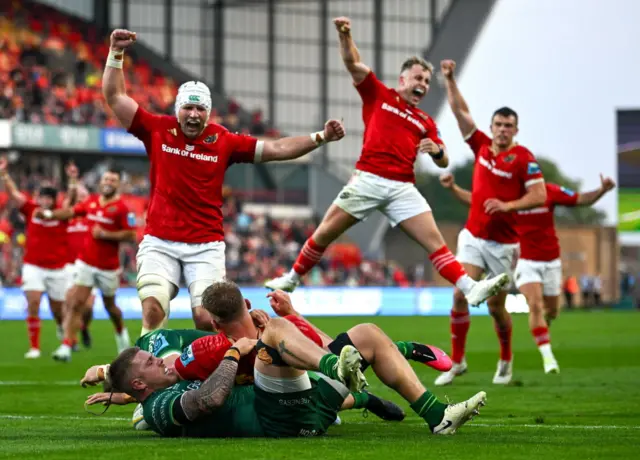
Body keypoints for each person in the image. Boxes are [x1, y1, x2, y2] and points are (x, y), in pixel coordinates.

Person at [102, 29, 347, 335]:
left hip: (205, 246)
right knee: (153, 309)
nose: (193, 114)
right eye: (188, 108)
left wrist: (320, 137)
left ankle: (209, 376)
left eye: (200, 108)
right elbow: (115, 96)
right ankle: (148, 377)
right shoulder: (157, 129)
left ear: (208, 113)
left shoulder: (224, 141)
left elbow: (277, 148)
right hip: (160, 241)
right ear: (177, 109)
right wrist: (115, 53)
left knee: (206, 319)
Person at [265, 17, 508, 307]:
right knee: (325, 232)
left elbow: (444, 160)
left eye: (428, 82)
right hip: (368, 178)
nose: (423, 85)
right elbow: (353, 63)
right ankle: (291, 278)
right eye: (418, 78)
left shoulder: (425, 121)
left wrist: (437, 152)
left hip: (402, 187)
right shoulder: (378, 94)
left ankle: (471, 288)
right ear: (403, 79)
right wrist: (345, 35)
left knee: (435, 242)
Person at [106, 315, 486, 438]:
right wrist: (236, 352)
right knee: (275, 330)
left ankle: (439, 416)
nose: (158, 360)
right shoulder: (158, 407)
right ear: (139, 385)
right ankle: (334, 367)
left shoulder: (173, 377)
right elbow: (208, 400)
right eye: (148, 363)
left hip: (304, 406)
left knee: (367, 334)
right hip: (278, 417)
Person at [434, 59, 548, 386]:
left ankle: (506, 358)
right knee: (459, 295)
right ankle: (457, 362)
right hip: (472, 236)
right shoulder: (481, 146)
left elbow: (539, 195)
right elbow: (460, 113)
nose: (501, 130)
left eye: (508, 126)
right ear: (492, 126)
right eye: (497, 124)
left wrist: (508, 204)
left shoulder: (524, 159)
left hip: (503, 245)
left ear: (516, 129)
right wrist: (449, 78)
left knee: (497, 309)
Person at [439, 173, 615, 373]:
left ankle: (541, 329)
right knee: (535, 304)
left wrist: (602, 190)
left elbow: (581, 199)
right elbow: (476, 201)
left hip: (551, 261)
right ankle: (548, 358)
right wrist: (453, 188)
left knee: (552, 311)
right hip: (525, 260)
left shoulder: (550, 192)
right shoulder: (506, 194)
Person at [37, 168, 136, 362]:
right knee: (76, 303)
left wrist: (106, 234)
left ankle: (120, 333)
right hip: (86, 263)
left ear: (118, 184)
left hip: (108, 267)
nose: (108, 182)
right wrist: (49, 214)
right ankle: (66, 346)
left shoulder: (123, 208)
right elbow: (70, 211)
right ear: (101, 182)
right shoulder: (91, 201)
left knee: (110, 307)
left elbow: (131, 235)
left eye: (113, 180)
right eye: (106, 179)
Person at [0, 157, 68, 359]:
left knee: (57, 309)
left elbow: (72, 203)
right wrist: (4, 174)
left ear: (54, 200)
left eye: (48, 198)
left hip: (57, 268)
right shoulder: (31, 209)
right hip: (33, 266)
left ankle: (60, 327)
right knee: (33, 303)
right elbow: (13, 194)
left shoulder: (62, 214)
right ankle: (34, 347)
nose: (44, 201)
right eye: (42, 197)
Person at [64, 171, 97, 349]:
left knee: (88, 307)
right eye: (79, 196)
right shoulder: (67, 216)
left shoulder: (91, 215)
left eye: (84, 196)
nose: (82, 199)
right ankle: (72, 340)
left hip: (89, 264)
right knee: (70, 303)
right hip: (69, 266)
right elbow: (67, 202)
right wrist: (73, 180)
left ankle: (84, 327)